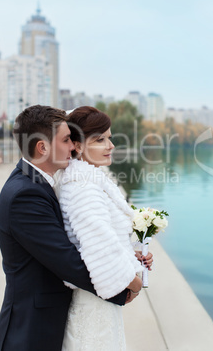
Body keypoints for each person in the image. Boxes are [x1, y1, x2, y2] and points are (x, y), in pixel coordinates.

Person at [0, 105, 141, 351]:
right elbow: (68, 260)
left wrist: (130, 258)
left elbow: (77, 242)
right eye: (66, 140)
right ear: (42, 147)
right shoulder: (25, 194)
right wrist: (127, 285)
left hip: (47, 320)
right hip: (30, 330)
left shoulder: (41, 183)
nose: (73, 146)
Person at [54, 106, 152, 351]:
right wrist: (135, 283)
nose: (110, 145)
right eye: (100, 139)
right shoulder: (82, 187)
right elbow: (99, 249)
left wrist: (133, 256)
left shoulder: (92, 180)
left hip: (100, 303)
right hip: (93, 307)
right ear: (76, 145)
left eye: (109, 137)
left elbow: (103, 237)